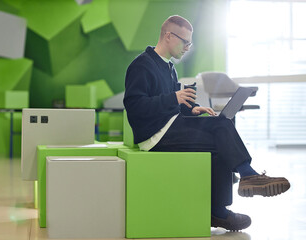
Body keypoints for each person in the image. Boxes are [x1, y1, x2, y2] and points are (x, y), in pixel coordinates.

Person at [123, 15, 290, 231]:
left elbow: (172, 105)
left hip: (170, 126)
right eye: (185, 42)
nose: (187, 48)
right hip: (154, 135)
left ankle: (219, 213)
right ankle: (248, 176)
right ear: (168, 36)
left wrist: (191, 109)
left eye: (189, 44)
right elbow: (135, 106)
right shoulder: (141, 65)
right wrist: (174, 98)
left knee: (219, 139)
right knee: (221, 126)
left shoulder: (169, 67)